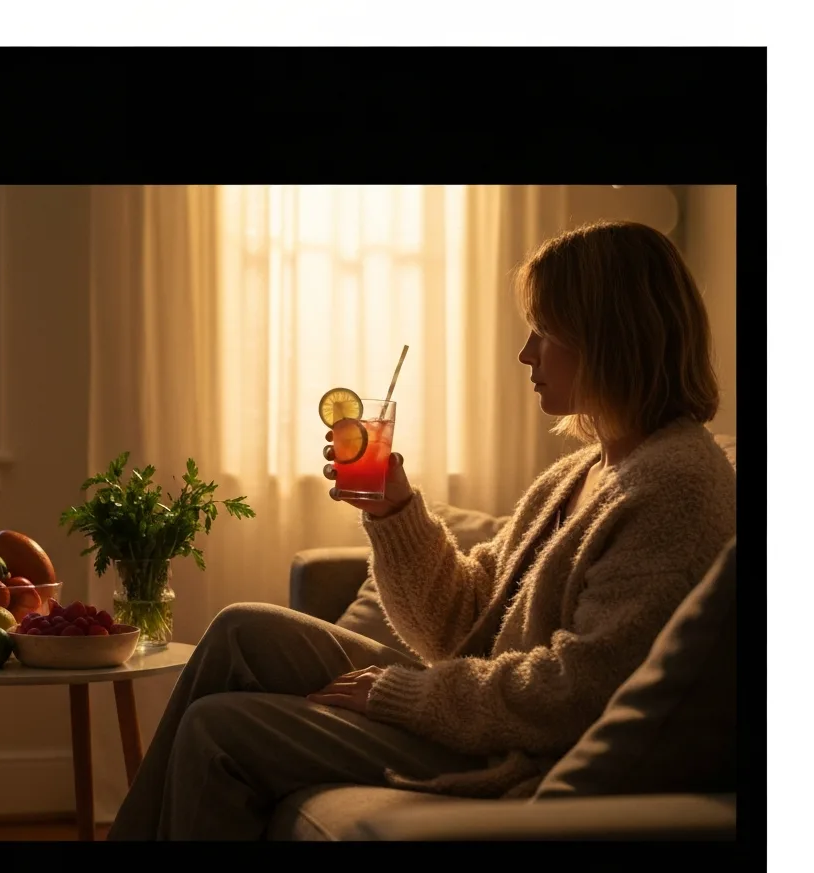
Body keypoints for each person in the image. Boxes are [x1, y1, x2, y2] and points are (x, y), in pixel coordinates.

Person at [107, 219, 737, 841]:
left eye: (544, 333)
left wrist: (407, 695)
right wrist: (393, 510)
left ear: (611, 338)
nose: (526, 354)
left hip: (513, 750)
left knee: (219, 728)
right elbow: (461, 622)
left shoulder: (675, 486)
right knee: (242, 628)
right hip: (480, 708)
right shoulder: (579, 473)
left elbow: (579, 691)